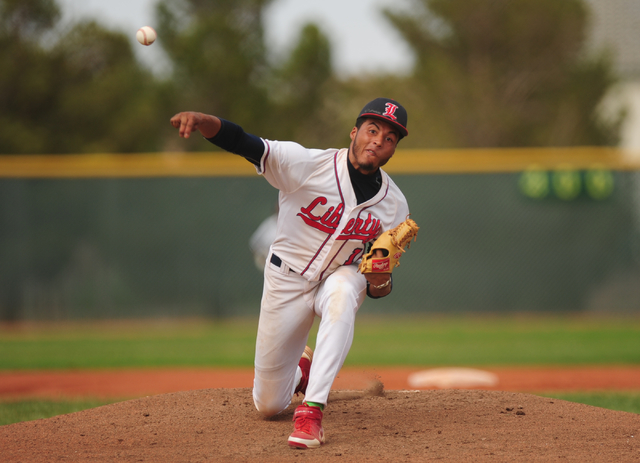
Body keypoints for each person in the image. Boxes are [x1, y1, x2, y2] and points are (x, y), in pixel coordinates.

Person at [170, 97, 411, 449]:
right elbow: (243, 141)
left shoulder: (395, 205)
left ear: (393, 149)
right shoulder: (307, 164)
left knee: (344, 293)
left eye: (389, 138)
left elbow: (379, 288)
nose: (378, 140)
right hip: (286, 279)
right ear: (354, 131)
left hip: (337, 278)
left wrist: (380, 278)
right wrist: (204, 120)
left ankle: (312, 413)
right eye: (372, 130)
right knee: (268, 405)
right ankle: (302, 371)